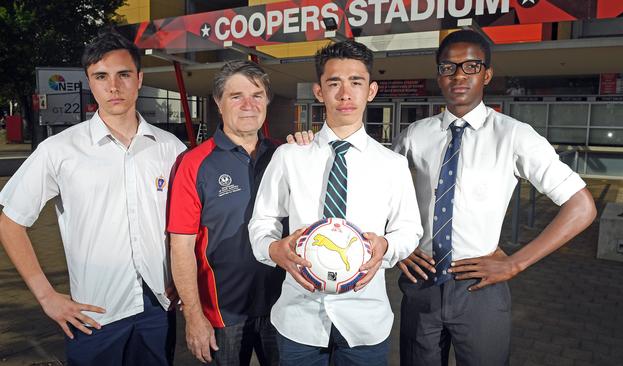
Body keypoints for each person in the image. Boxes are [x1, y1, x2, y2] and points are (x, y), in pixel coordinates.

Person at [393, 29, 597, 365]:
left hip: (479, 286)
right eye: (449, 67)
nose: (459, 75)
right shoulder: (415, 136)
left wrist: (516, 262)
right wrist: (395, 245)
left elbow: (582, 207)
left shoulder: (514, 135)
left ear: (487, 74)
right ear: (439, 75)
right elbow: (379, 191)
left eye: (471, 66)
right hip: (421, 282)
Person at [0, 31, 186, 365]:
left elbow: (189, 222)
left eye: (123, 75)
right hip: (95, 315)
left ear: (140, 79)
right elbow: (10, 222)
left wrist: (186, 278)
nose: (113, 87)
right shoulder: (59, 150)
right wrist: (46, 296)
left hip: (159, 308)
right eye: (101, 76)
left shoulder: (170, 147)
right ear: (90, 81)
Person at [248, 40, 423, 365]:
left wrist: (386, 246)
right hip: (298, 318)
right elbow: (262, 223)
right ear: (319, 91)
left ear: (371, 90)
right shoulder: (290, 156)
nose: (345, 94)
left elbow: (410, 229)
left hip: (365, 320)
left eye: (356, 82)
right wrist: (274, 250)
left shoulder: (392, 164)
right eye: (334, 83)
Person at [167, 60, 285, 365]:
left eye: (257, 95)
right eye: (236, 96)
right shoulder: (194, 164)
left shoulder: (285, 157)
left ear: (267, 101)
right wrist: (193, 317)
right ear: (219, 102)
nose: (249, 105)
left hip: (284, 306)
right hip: (223, 313)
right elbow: (180, 247)